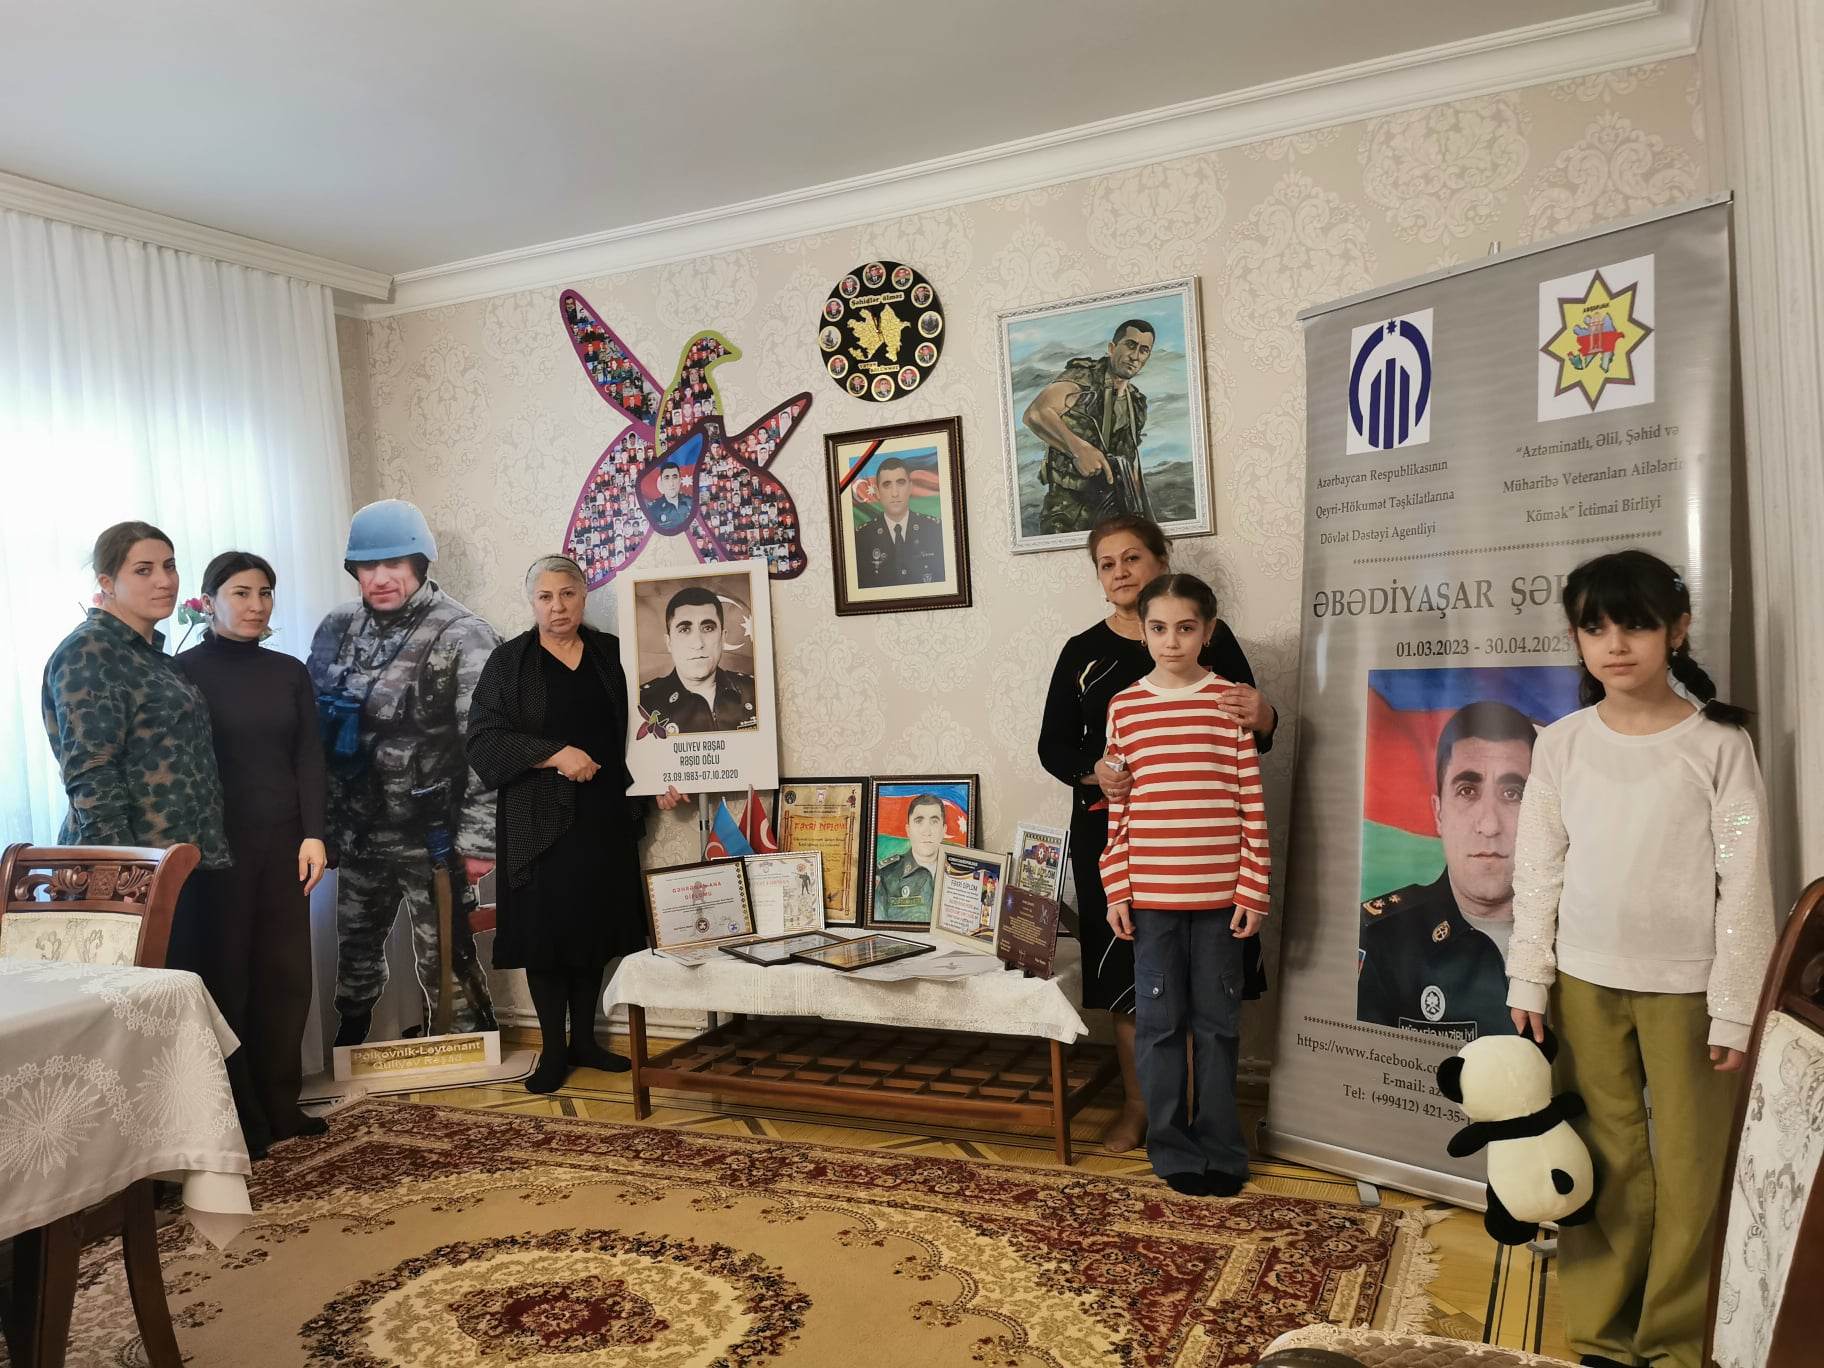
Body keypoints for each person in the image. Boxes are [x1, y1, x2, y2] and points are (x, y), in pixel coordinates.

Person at [1507, 549, 1776, 1368]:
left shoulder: (1719, 744)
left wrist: (1736, 1008)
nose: (1616, 644)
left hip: (1690, 991)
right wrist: (1530, 975)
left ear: (1678, 629)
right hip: (1584, 982)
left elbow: (1746, 883)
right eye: (1595, 628)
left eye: (1636, 625)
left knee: (1692, 1166)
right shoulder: (1561, 744)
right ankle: (1601, 1331)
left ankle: (1674, 1339)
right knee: (1604, 1157)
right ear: (1576, 640)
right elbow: (1539, 867)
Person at [1037, 513, 1275, 1154]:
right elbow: (1054, 747)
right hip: (1116, 837)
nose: (1120, 571)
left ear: (1161, 561)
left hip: (1206, 847)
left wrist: (1266, 715)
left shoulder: (1207, 640)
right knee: (1131, 983)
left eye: (1132, 558)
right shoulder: (1082, 653)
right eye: (1106, 563)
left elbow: (1249, 729)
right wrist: (1098, 774)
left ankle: (1206, 1118)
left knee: (1209, 987)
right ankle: (1141, 1110)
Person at [467, 556, 687, 1093]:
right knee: (546, 935)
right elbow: (483, 740)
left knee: (594, 928)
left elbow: (648, 726)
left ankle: (585, 1041)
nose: (557, 607)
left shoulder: (614, 654)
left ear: (584, 596)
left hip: (604, 813)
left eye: (567, 594)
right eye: (545, 597)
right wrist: (554, 755)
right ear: (532, 602)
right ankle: (552, 1051)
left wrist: (663, 778)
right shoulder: (508, 662)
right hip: (536, 823)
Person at [1101, 572, 1271, 1198]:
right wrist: (1118, 888)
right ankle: (1170, 1146)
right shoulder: (1125, 707)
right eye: (1158, 628)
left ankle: (1222, 1147)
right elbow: (1119, 810)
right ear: (1142, 632)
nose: (1171, 641)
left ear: (1208, 631)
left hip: (1221, 902)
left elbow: (1250, 801)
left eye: (1185, 628)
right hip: (1151, 902)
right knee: (1160, 1025)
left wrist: (1253, 888)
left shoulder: (1229, 703)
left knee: (1219, 1026)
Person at [306, 499, 500, 1046]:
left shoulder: (464, 635)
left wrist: (479, 842)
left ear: (419, 564)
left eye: (394, 563)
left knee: (446, 955)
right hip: (359, 829)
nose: (381, 577)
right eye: (369, 566)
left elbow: (485, 748)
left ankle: (464, 1051)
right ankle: (351, 1045)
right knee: (355, 948)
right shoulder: (337, 628)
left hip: (433, 836)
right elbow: (314, 733)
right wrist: (321, 828)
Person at [177, 551, 330, 1143]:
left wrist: (314, 832)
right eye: (241, 593)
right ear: (209, 600)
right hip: (217, 853)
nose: (256, 605)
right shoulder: (182, 673)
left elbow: (309, 756)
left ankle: (281, 1103)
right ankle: (240, 1118)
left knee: (286, 976)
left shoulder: (288, 672)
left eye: (264, 593)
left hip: (286, 844)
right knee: (228, 980)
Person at [1356, 700, 1537, 1040]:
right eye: (1467, 791)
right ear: (1438, 813)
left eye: (1513, 793)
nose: (1489, 825)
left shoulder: (1581, 931)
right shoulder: (1381, 938)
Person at [1023, 319, 1157, 535]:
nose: (1135, 356)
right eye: (1130, 345)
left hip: (1112, 513)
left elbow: (1130, 460)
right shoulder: (1084, 377)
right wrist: (1078, 450)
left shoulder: (1136, 403)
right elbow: (1036, 413)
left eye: (1144, 350)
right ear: (1112, 348)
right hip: (1069, 511)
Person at [636, 585, 757, 734]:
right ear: (669, 643)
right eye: (684, 630)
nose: (698, 644)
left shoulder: (755, 691)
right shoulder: (643, 703)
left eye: (708, 628)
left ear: (723, 638)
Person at [853, 457, 944, 588]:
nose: (895, 493)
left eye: (900, 483)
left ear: (910, 487)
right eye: (887, 485)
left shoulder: (935, 530)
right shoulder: (861, 538)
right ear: (877, 492)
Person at [872, 792, 947, 923]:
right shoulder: (885, 875)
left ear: (944, 831)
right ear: (908, 830)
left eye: (934, 822)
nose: (927, 831)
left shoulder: (960, 872)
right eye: (919, 821)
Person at [648, 462, 693, 531]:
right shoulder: (653, 510)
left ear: (680, 480)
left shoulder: (692, 502)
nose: (671, 483)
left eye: (675, 477)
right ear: (661, 482)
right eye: (667, 478)